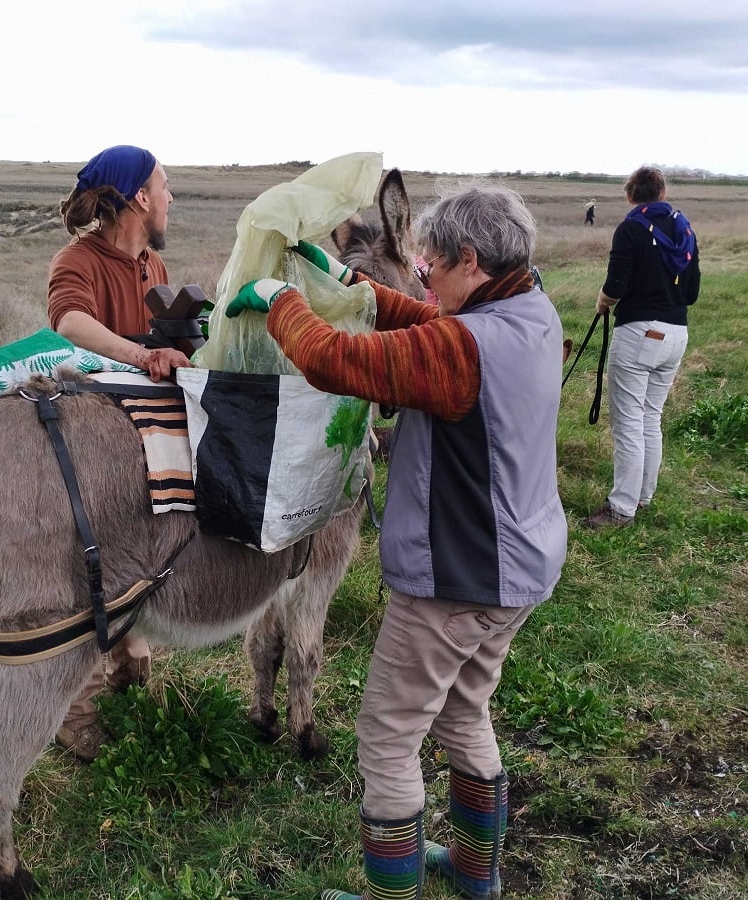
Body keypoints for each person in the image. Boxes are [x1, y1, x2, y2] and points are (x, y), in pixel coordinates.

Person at [226, 185, 567, 900]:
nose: (422, 275)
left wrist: (279, 300)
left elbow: (334, 362)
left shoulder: (464, 349)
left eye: (432, 264)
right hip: (520, 566)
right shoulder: (527, 310)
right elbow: (430, 324)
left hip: (459, 577)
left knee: (386, 735)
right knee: (464, 711)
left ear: (471, 261)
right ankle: (479, 875)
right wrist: (351, 284)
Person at [46, 145, 191, 761]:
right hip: (88, 454)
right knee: (84, 584)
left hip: (142, 450)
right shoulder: (77, 260)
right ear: (138, 198)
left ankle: (126, 707)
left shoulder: (153, 265)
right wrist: (141, 356)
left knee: (132, 584)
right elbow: (69, 324)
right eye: (163, 186)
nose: (170, 197)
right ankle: (73, 722)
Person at [584, 166, 699, 530]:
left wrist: (603, 301)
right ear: (662, 193)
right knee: (651, 417)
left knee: (629, 422)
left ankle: (621, 508)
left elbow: (616, 283)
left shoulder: (631, 228)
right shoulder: (684, 229)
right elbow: (692, 292)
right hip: (677, 333)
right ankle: (642, 497)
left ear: (630, 195)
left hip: (640, 333)